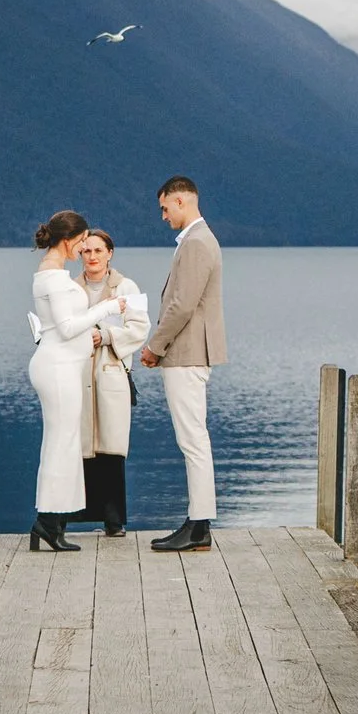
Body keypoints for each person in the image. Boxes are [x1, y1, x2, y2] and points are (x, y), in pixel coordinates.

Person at [28, 209, 125, 552]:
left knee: (62, 442)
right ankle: (48, 521)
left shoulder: (55, 274)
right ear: (68, 240)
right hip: (57, 368)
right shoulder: (53, 278)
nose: (85, 248)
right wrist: (107, 308)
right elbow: (68, 327)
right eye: (82, 241)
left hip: (63, 366)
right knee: (61, 443)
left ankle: (51, 521)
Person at [141, 175, 224, 552]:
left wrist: (155, 347)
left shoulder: (195, 242)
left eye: (164, 208)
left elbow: (182, 305)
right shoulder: (198, 240)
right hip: (189, 353)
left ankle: (199, 526)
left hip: (187, 353)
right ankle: (197, 523)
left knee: (192, 440)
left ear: (181, 201)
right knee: (193, 438)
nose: (162, 216)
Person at [76, 228, 149, 536]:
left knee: (111, 447)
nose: (92, 256)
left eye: (97, 251)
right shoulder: (71, 289)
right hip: (78, 375)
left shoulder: (126, 287)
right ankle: (74, 515)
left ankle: (113, 520)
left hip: (111, 373)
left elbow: (139, 328)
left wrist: (105, 335)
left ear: (109, 253)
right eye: (86, 251)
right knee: (80, 446)